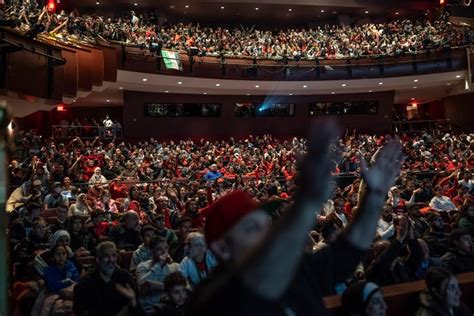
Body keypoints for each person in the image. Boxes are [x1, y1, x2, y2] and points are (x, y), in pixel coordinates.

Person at [187, 121, 404, 316]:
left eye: (266, 223)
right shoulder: (211, 298)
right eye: (252, 227)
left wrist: (374, 195)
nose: (266, 232)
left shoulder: (296, 268)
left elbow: (348, 252)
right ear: (223, 248)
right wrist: (308, 200)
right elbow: (258, 281)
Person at [73, 241, 144, 316]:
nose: (111, 260)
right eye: (106, 256)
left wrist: (133, 301)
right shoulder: (85, 283)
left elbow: (138, 311)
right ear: (98, 259)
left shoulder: (125, 277)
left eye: (114, 256)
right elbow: (80, 311)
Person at [136, 236, 180, 313]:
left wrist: (155, 286)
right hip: (149, 308)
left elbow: (182, 289)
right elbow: (141, 288)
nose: (164, 252)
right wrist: (159, 265)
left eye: (166, 248)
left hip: (170, 308)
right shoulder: (143, 266)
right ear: (151, 251)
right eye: (160, 249)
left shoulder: (175, 267)